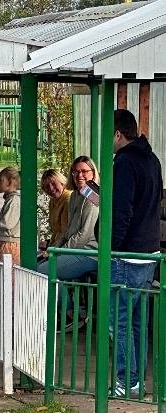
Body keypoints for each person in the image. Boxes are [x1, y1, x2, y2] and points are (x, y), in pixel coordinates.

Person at [105, 109, 162, 397]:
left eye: (108, 135)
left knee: (119, 321)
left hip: (125, 255)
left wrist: (110, 248)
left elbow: (121, 211)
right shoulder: (152, 160)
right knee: (137, 321)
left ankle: (127, 380)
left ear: (118, 134)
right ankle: (136, 379)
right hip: (149, 252)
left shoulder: (124, 163)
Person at [37, 157, 100, 330]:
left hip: (91, 252)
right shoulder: (76, 196)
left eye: (84, 171)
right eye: (76, 171)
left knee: (45, 270)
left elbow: (85, 234)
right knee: (36, 262)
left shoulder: (93, 196)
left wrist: (59, 251)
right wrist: (54, 248)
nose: (80, 175)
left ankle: (71, 316)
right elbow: (69, 230)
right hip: (77, 250)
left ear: (93, 173)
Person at [40, 169, 72, 249]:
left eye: (54, 184)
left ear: (62, 183)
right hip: (56, 246)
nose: (51, 188)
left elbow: (65, 233)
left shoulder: (68, 199)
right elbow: (56, 230)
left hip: (66, 248)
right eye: (46, 186)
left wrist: (51, 249)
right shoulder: (53, 201)